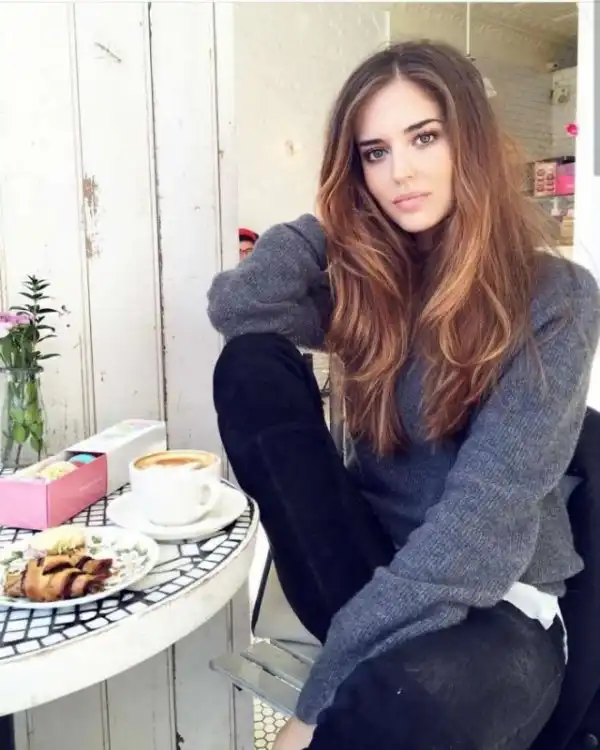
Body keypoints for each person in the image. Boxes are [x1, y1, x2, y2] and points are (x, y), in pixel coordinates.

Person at [207, 40, 600, 750]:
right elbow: (242, 309)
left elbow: (479, 532)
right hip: (368, 566)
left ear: (469, 142)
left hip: (496, 605)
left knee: (397, 709)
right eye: (374, 152)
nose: (401, 172)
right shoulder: (373, 290)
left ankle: (363, 679)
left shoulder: (557, 297)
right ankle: (365, 665)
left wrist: (316, 703)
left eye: (424, 137)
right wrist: (334, 222)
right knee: (251, 365)